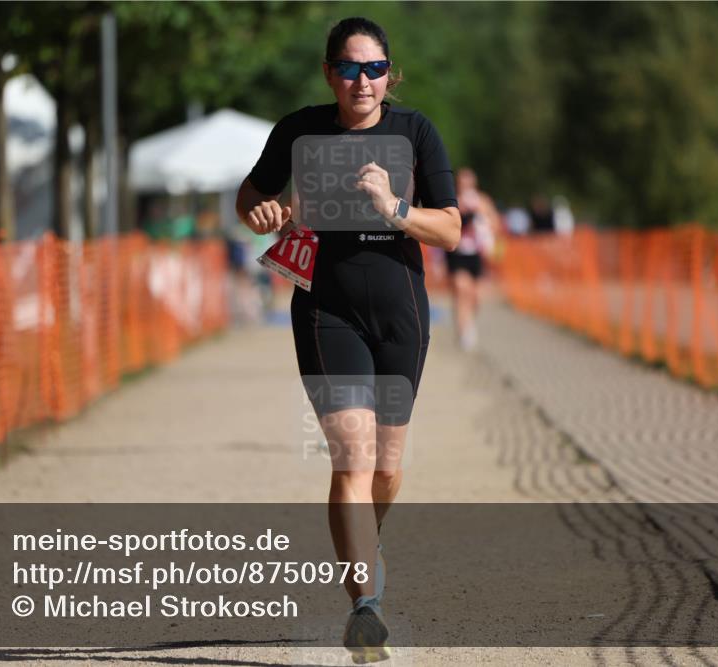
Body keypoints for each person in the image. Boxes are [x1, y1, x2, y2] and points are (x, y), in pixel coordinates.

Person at [235, 16, 460, 663]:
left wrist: (394, 208)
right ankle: (365, 606)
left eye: (375, 69)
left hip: (400, 314)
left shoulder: (415, 131)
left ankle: (366, 540)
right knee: (353, 459)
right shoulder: (299, 131)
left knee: (386, 467)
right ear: (329, 72)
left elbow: (450, 229)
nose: (363, 81)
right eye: (349, 68)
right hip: (325, 310)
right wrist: (262, 212)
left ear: (390, 74)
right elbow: (250, 199)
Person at [445, 168, 500, 350]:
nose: (465, 186)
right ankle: (463, 332)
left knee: (475, 296)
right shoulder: (452, 200)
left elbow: (495, 223)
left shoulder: (482, 201)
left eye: (468, 183)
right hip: (457, 252)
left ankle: (469, 321)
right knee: (461, 289)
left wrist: (482, 218)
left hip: (477, 254)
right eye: (462, 183)